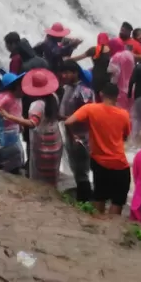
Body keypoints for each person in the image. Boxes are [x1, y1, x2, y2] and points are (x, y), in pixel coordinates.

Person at [64, 80, 132, 215]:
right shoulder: (124, 114)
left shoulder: (90, 109)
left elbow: (68, 122)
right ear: (117, 97)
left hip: (98, 161)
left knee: (100, 195)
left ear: (101, 94)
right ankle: (112, 224)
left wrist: (74, 137)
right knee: (117, 201)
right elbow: (125, 136)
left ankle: (97, 222)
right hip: (118, 163)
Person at [58, 58, 94, 203]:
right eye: (63, 73)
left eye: (67, 72)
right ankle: (82, 194)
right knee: (75, 168)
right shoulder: (68, 88)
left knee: (82, 169)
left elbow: (88, 116)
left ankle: (84, 199)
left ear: (75, 73)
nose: (64, 76)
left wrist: (66, 118)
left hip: (81, 136)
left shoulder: (84, 92)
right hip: (69, 132)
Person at [22, 67, 64, 186]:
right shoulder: (54, 97)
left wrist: (11, 117)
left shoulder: (37, 105)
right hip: (55, 142)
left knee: (39, 181)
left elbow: (32, 123)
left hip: (42, 145)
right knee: (52, 177)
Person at [108, 39, 136, 111]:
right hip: (131, 89)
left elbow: (114, 73)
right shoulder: (130, 55)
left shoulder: (116, 56)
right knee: (128, 113)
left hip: (120, 91)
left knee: (118, 112)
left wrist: (111, 87)